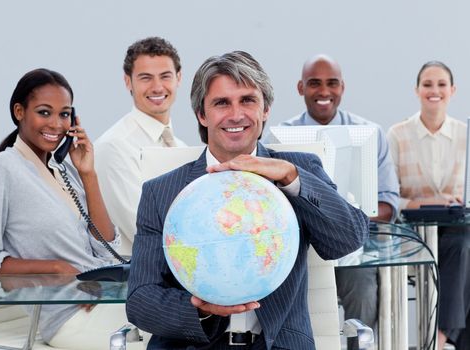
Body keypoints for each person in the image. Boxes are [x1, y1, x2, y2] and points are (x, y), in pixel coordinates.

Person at [126, 51, 369, 349]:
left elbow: (348, 239)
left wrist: (292, 180)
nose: (236, 114)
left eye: (248, 100)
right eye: (221, 103)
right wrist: (201, 309)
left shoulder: (298, 169)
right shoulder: (161, 191)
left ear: (265, 109)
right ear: (202, 115)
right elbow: (140, 300)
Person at [0, 68, 128, 350]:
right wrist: (58, 269)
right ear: (19, 111)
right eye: (44, 112)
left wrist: (88, 174)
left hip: (105, 300)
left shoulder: (65, 170)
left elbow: (105, 247)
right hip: (69, 316)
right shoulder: (3, 169)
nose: (56, 124)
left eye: (64, 114)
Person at [268, 54, 399, 349]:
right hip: (302, 247)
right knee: (291, 290)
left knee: (363, 288)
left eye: (332, 83)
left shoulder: (372, 133)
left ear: (343, 87)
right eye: (315, 83)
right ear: (301, 88)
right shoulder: (280, 137)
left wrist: (341, 219)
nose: (324, 92)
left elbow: (389, 204)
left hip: (357, 250)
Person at [388, 61, 470, 350]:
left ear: (452, 90)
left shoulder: (465, 134)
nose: (434, 90)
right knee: (463, 249)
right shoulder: (397, 135)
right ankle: (444, 339)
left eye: (441, 84)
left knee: (463, 244)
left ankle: (442, 338)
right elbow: (389, 198)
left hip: (457, 225)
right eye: (427, 84)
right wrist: (431, 201)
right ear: (417, 90)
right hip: (412, 232)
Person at [95, 36, 186, 255]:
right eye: (145, 78)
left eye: (165, 76)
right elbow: (141, 230)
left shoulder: (181, 147)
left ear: (179, 78)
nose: (157, 87)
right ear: (128, 81)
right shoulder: (114, 146)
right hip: (132, 282)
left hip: (180, 274)